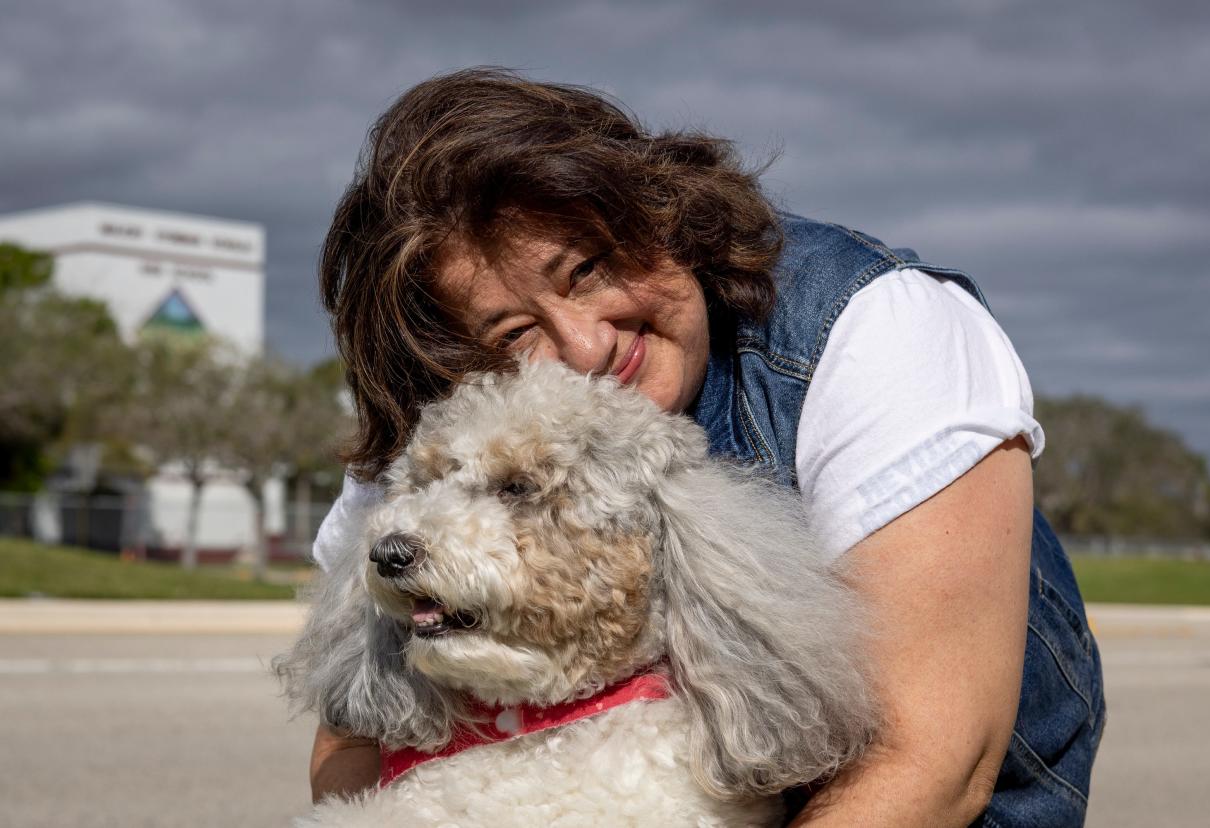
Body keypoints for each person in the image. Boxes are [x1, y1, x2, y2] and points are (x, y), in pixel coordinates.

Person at [307, 68, 1105, 826]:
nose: (585, 346)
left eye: (587, 270)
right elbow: (351, 743)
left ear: (659, 214)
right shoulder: (442, 415)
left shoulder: (871, 331)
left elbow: (932, 766)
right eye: (514, 332)